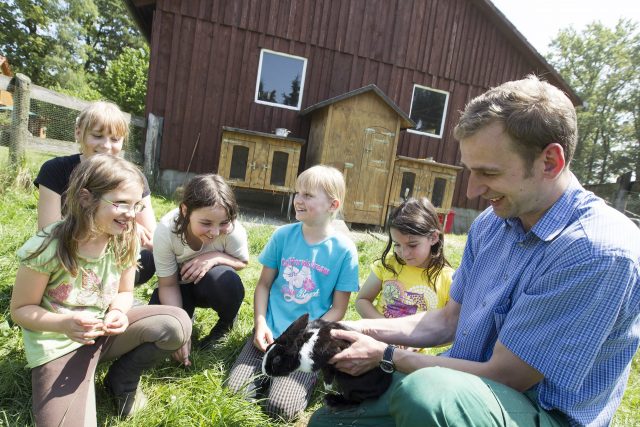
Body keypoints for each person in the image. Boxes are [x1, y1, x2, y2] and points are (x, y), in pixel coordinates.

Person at [309, 75, 640, 427]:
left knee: (426, 395)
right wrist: (349, 329)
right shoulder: (492, 223)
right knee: (327, 423)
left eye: (488, 173)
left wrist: (387, 356)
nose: (472, 190)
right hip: (464, 387)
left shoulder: (596, 252)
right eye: (470, 170)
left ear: (550, 163)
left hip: (541, 413)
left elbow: (507, 375)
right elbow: (447, 320)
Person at [10, 155, 191, 426]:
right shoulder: (49, 246)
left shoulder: (125, 237)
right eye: (120, 203)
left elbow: (125, 292)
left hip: (104, 334)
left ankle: (122, 379)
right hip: (59, 344)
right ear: (86, 198)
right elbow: (21, 310)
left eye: (136, 205)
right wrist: (64, 323)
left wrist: (118, 311)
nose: (131, 214)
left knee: (176, 323)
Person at [226, 165, 359, 422]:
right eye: (298, 192)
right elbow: (263, 285)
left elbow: (338, 309)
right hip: (269, 333)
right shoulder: (282, 236)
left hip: (304, 343)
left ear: (333, 205)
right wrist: (260, 323)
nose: (298, 199)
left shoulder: (344, 250)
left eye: (308, 195)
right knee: (237, 394)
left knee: (281, 409)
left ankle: (302, 377)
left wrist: (304, 337)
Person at [34, 101, 157, 285]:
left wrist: (132, 229)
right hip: (70, 250)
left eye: (115, 139)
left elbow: (150, 236)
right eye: (98, 136)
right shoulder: (55, 170)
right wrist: (124, 229)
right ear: (78, 132)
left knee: (148, 259)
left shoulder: (133, 177)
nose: (106, 146)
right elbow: (48, 231)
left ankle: (112, 290)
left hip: (114, 252)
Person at [149, 174, 248, 362]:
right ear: (185, 211)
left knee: (226, 280)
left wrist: (215, 257)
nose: (215, 232)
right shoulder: (165, 230)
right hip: (177, 285)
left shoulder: (233, 231)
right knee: (156, 330)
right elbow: (168, 285)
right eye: (206, 223)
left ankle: (226, 322)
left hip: (211, 284)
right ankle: (186, 318)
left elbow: (242, 262)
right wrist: (179, 328)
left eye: (224, 223)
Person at [355, 198, 453, 337]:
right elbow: (362, 301)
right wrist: (386, 328)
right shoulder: (389, 265)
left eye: (412, 245)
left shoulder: (448, 279)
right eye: (397, 244)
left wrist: (416, 341)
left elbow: (449, 325)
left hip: (412, 355)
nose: (404, 253)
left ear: (433, 237)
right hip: (374, 342)